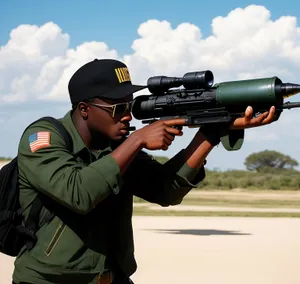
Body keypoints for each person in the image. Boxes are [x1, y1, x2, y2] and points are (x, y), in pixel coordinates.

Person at [12, 59, 275, 284]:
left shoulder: (116, 146)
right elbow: (78, 193)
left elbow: (165, 190)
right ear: (84, 110)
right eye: (118, 109)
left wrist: (212, 132)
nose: (128, 115)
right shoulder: (43, 138)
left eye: (130, 105)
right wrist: (136, 140)